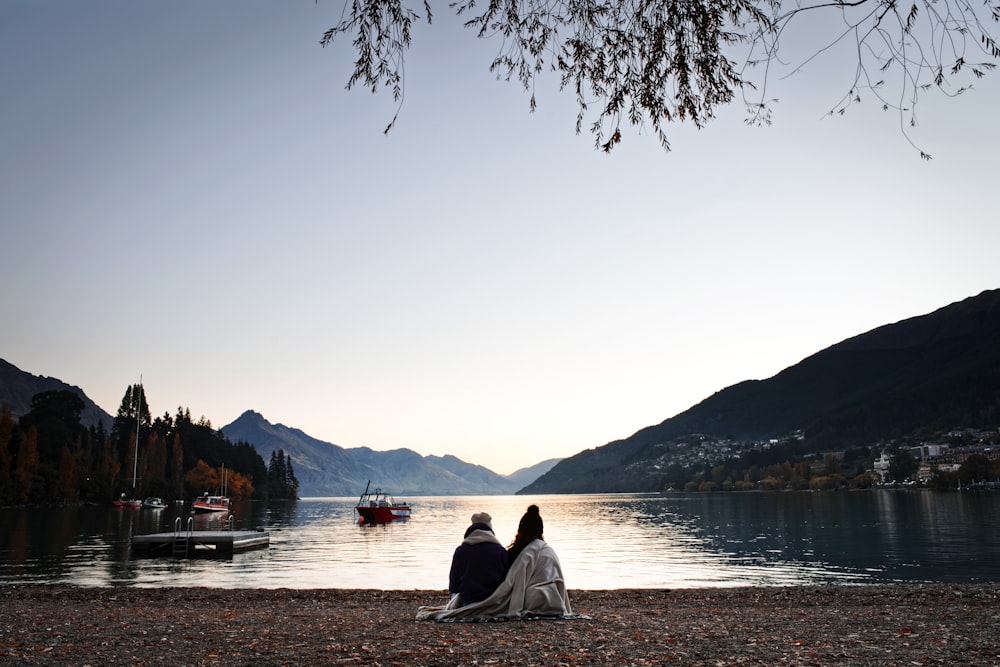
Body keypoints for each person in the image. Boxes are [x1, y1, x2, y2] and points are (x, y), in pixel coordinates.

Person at [417, 504, 575, 621]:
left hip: (531, 600)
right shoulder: (541, 549)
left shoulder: (462, 550)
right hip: (555, 600)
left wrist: (456, 596)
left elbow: (511, 580)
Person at [448, 512, 509, 606]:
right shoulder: (499, 551)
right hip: (495, 600)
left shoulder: (461, 551)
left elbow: (454, 583)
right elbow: (507, 578)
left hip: (469, 600)